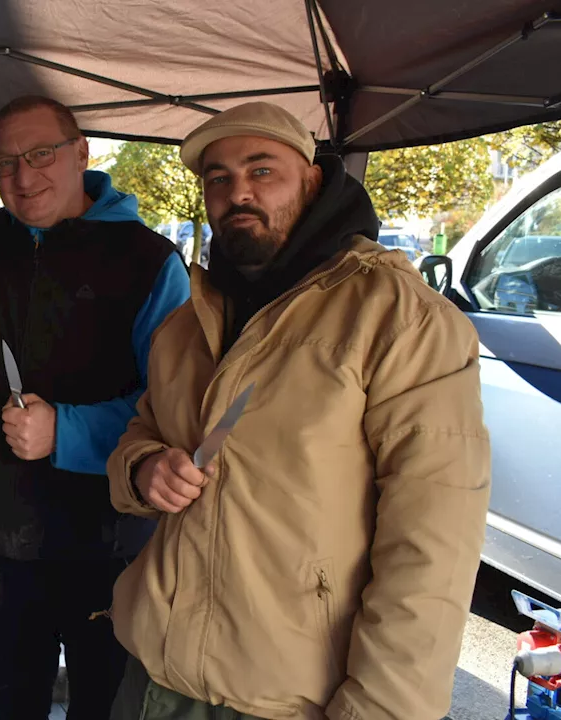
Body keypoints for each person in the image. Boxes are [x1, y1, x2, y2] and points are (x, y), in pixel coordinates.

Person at [106, 102, 491, 719]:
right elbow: (141, 430)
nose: (239, 194)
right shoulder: (186, 324)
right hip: (155, 673)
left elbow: (432, 550)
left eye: (263, 171)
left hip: (290, 699)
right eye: (219, 179)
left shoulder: (399, 318)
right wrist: (144, 468)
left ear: (313, 181)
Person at [0, 96, 191, 719]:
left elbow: (175, 404)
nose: (24, 176)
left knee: (102, 708)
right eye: (6, 163)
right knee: (12, 704)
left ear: (82, 153)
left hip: (107, 544)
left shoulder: (150, 262)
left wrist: (67, 431)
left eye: (41, 154)